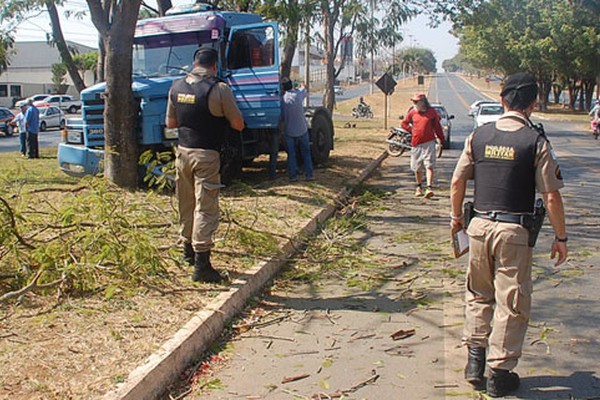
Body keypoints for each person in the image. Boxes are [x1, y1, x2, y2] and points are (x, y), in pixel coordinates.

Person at [450, 72, 568, 397]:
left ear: (502, 100)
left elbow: (457, 182)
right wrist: (561, 238)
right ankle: (499, 374)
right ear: (532, 104)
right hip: (513, 232)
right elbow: (552, 196)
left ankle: (475, 364)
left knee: (477, 293)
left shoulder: (478, 136)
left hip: (478, 228)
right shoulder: (535, 142)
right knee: (512, 302)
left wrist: (456, 219)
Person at [165, 46, 244, 283]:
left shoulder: (176, 87)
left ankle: (187, 251)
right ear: (214, 66)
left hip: (182, 154)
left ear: (194, 63)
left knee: (186, 202)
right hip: (206, 156)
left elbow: (170, 123)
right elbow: (238, 124)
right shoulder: (219, 89)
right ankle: (202, 265)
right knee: (205, 207)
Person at [401, 93, 444, 198]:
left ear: (423, 102)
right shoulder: (412, 113)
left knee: (429, 165)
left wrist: (441, 139)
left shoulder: (432, 113)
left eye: (416, 102)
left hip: (429, 143)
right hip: (416, 144)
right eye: (413, 101)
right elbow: (404, 123)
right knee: (417, 167)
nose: (414, 104)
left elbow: (438, 127)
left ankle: (429, 187)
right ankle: (419, 186)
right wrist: (412, 130)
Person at [281, 77, 313, 182]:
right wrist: (301, 83)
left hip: (289, 131)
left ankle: (293, 176)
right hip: (302, 129)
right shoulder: (299, 95)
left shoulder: (283, 100)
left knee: (291, 154)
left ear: (283, 88)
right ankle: (309, 175)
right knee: (306, 153)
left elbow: (281, 116)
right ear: (292, 85)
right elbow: (305, 87)